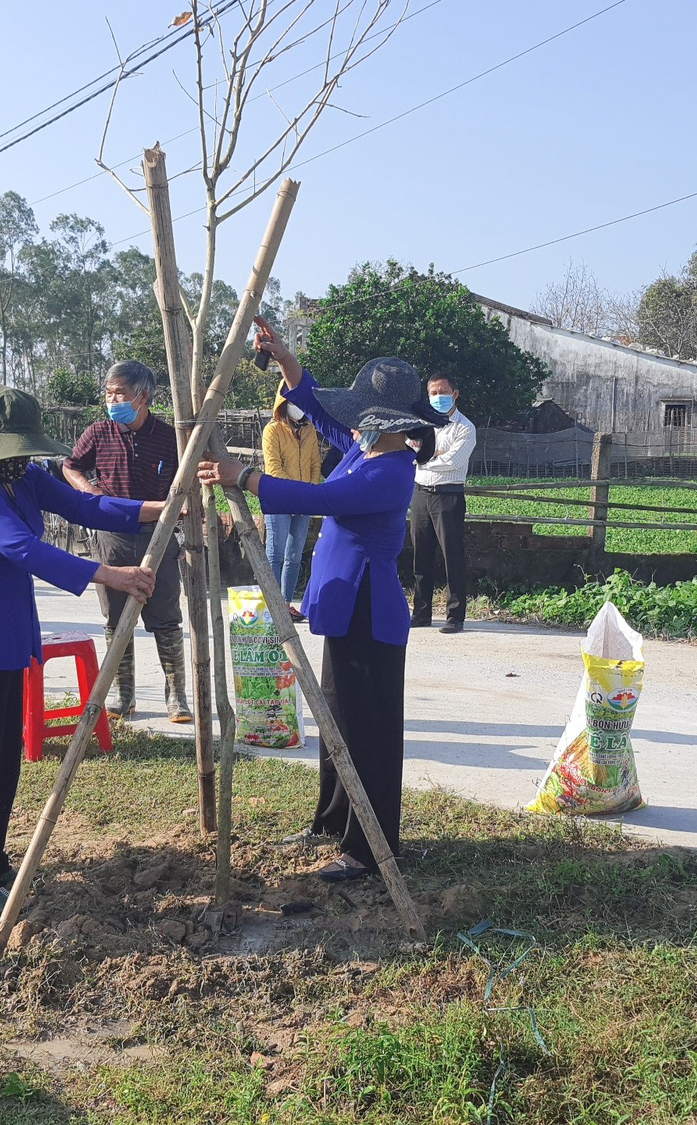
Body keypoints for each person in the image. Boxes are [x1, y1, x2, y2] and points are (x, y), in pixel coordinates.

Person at [197, 316, 449, 882]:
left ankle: (368, 847)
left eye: (361, 412)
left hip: (369, 612)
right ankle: (334, 822)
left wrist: (248, 478)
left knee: (370, 734)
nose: (350, 421)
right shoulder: (365, 450)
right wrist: (286, 361)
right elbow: (321, 413)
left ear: (382, 420)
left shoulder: (391, 470)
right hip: (343, 606)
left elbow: (322, 499)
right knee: (339, 721)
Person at [0, 385, 162, 917]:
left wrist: (160, 508)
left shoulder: (21, 477)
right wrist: (112, 575)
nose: (22, 458)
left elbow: (85, 506)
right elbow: (23, 548)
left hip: (5, 630)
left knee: (3, 759)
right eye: (13, 449)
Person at [62, 360, 187, 722]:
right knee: (116, 619)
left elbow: (188, 476)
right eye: (109, 392)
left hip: (158, 536)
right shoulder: (98, 433)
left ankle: (176, 697)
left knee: (165, 618)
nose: (112, 399)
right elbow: (71, 466)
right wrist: (90, 494)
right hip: (112, 536)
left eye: (119, 393)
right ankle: (122, 694)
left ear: (142, 396)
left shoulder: (168, 437)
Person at [408, 373, 476, 633]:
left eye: (442, 392)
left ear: (455, 394)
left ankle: (454, 616)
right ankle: (421, 612)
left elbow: (453, 462)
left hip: (448, 495)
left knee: (452, 556)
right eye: (433, 393)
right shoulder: (422, 424)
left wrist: (423, 456)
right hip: (421, 493)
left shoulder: (465, 428)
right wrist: (430, 454)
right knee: (420, 555)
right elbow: (408, 448)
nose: (438, 398)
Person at [261, 379, 322, 619]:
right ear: (282, 402)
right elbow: (273, 467)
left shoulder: (310, 430)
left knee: (294, 556)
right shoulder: (272, 430)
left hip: (304, 500)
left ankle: (285, 604)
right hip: (279, 498)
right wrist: (298, 492)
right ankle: (272, 606)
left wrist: (311, 490)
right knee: (274, 554)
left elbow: (316, 463)